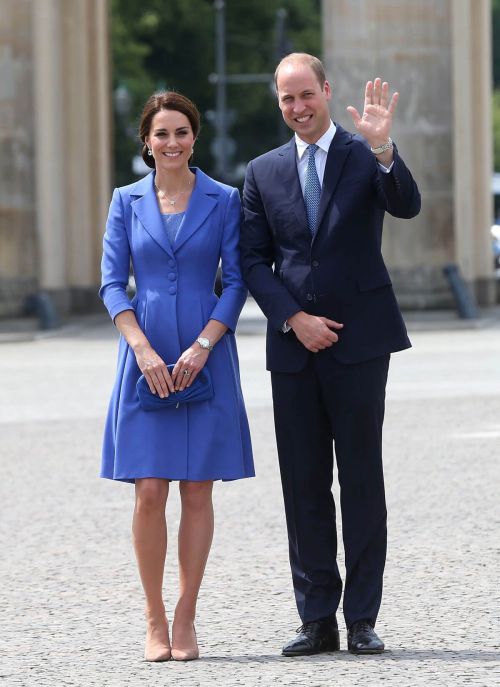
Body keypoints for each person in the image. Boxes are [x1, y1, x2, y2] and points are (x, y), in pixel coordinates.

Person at [240, 53, 420, 656]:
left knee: (362, 478)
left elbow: (406, 205)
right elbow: (250, 261)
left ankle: (362, 617)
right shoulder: (262, 172)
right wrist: (293, 318)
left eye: (306, 95)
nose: (297, 108)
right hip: (294, 349)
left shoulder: (362, 154)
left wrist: (385, 149)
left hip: (362, 342)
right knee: (304, 483)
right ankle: (316, 618)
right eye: (286, 99)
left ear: (326, 90)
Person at [99, 91, 254, 662]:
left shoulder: (224, 199)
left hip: (206, 353)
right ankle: (153, 616)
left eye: (181, 132)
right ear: (146, 140)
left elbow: (235, 281)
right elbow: (113, 282)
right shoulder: (125, 200)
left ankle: (187, 613)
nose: (172, 143)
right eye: (161, 134)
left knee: (196, 489)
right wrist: (140, 347)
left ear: (195, 137)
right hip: (146, 356)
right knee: (147, 490)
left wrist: (204, 345)